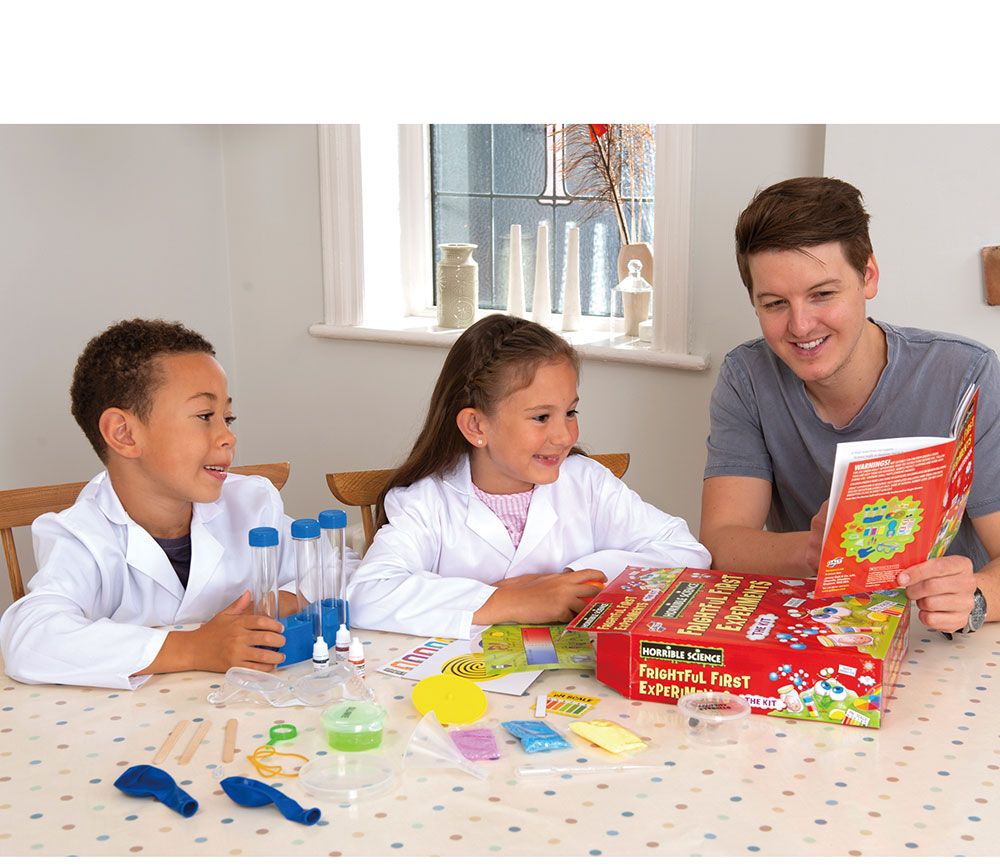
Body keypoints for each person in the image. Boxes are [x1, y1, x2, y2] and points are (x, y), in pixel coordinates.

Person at [700, 176, 1000, 635]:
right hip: (813, 629)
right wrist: (813, 550)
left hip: (939, 635)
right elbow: (722, 543)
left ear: (868, 277)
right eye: (775, 303)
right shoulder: (747, 377)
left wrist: (975, 598)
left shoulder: (965, 375)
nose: (801, 326)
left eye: (822, 294)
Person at [348, 314, 711, 637]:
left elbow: (688, 553)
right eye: (541, 417)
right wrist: (513, 600)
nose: (565, 436)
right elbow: (367, 595)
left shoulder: (587, 484)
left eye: (570, 412)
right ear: (476, 425)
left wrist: (571, 580)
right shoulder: (425, 502)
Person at [2, 318, 308, 688]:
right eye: (205, 416)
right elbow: (31, 640)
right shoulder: (81, 535)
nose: (228, 437)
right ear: (124, 434)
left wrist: (287, 598)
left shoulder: (252, 502)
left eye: (228, 417)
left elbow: (334, 566)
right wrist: (195, 648)